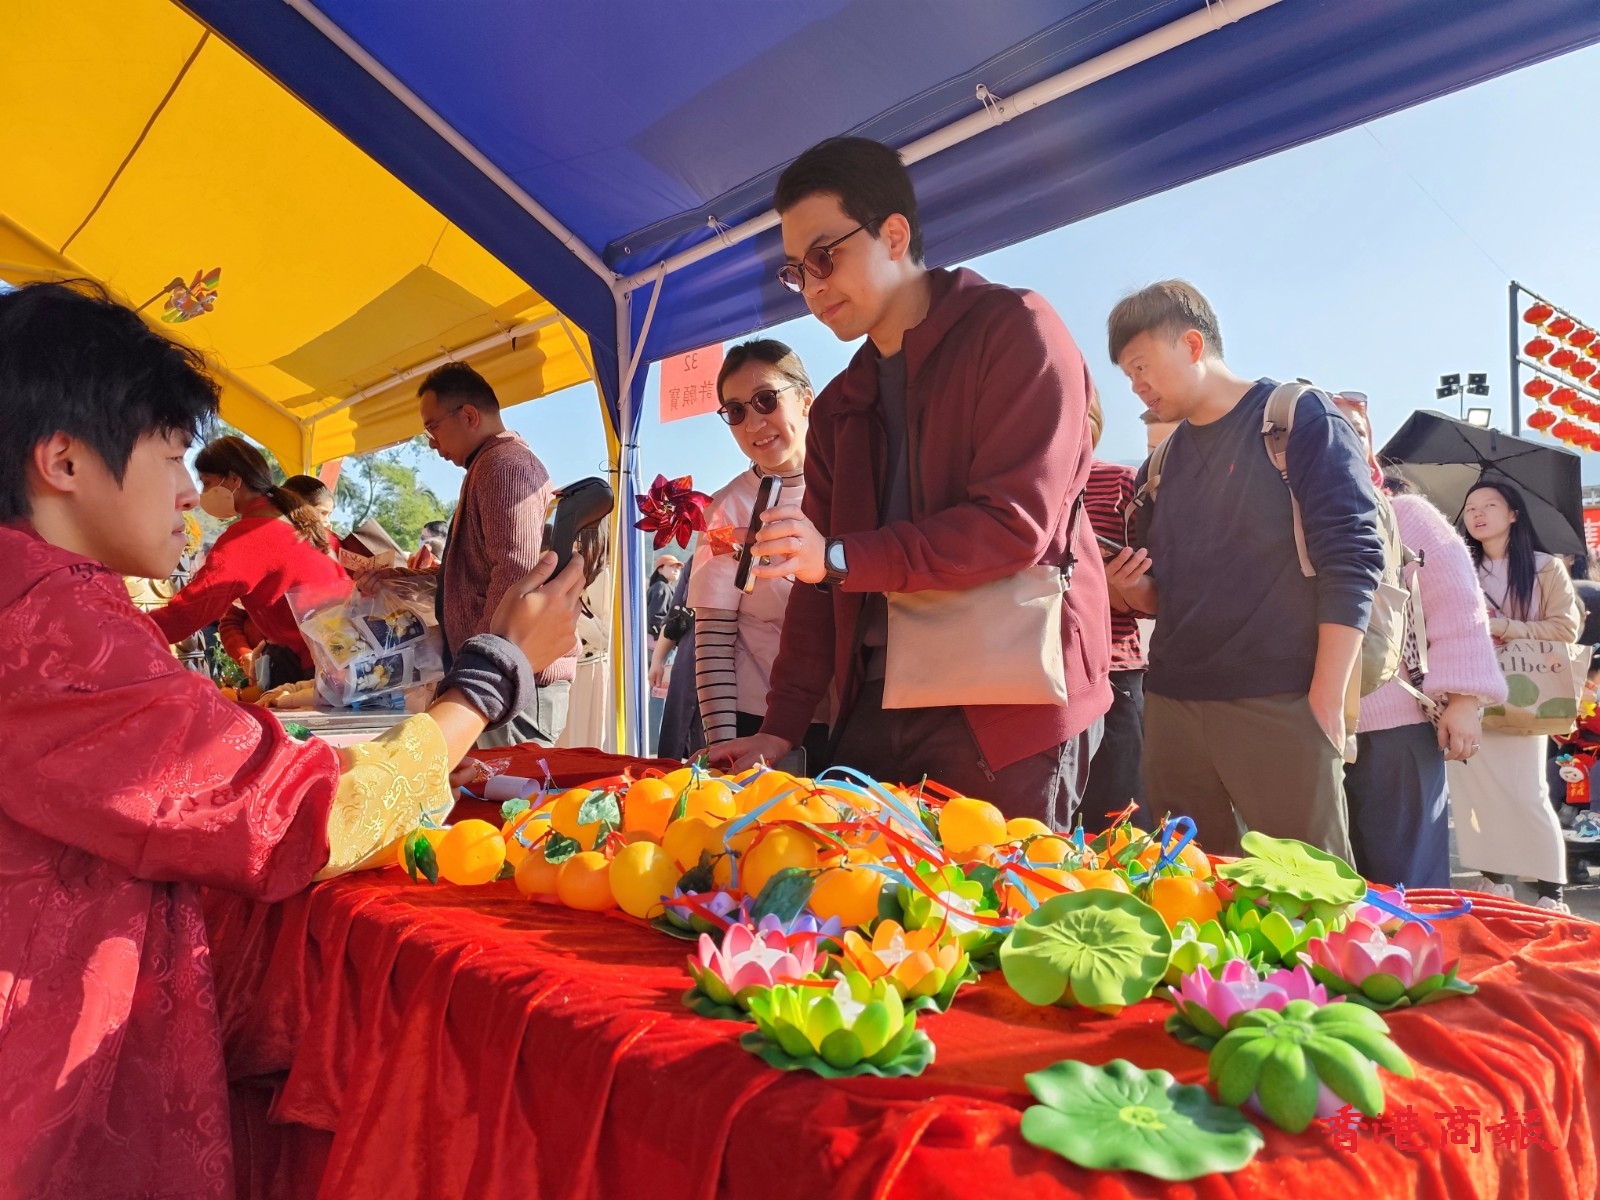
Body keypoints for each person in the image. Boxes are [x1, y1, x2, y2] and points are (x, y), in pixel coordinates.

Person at [0, 279, 585, 1198]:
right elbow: (303, 814)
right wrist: (492, 673)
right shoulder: (52, 622)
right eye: (172, 456)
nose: (190, 493)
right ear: (63, 460)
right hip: (46, 1082)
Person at [719, 137, 1112, 827]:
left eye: (824, 256)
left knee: (996, 895)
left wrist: (838, 557)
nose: (812, 287)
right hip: (877, 709)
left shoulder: (1016, 328)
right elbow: (816, 583)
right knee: (866, 898)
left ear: (894, 235)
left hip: (1009, 704)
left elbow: (1014, 525)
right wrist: (780, 730)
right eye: (795, 271)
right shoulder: (839, 405)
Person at [1105, 281, 1384, 860]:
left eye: (1141, 366)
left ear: (1191, 344)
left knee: (1308, 897)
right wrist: (1131, 591)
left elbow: (1353, 555)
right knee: (1187, 892)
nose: (1136, 386)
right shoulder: (1158, 467)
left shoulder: (1296, 417)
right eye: (1128, 376)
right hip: (1173, 706)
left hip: (1281, 700)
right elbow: (1168, 594)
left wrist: (1325, 703)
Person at [1333, 401, 1506, 888]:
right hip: (1309, 725)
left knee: (1408, 881)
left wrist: (1464, 700)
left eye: (1354, 430)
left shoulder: (1406, 514)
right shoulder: (1286, 517)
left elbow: (1458, 604)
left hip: (1397, 722)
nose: (1339, 439)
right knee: (1333, 883)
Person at [418, 361, 578, 747]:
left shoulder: (502, 466)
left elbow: (515, 575)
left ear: (469, 415)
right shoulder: (493, 465)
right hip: (505, 675)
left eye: (432, 427)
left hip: (511, 681)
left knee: (506, 785)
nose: (432, 443)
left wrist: (483, 673)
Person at [690, 340, 830, 768]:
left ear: (805, 399)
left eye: (766, 400)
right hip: (760, 722)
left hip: (853, 717)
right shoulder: (726, 510)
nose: (754, 423)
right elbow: (713, 640)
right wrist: (723, 747)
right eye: (736, 411)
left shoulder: (854, 486)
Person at [1450, 478, 1583, 911]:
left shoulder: (1545, 568)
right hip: (1470, 691)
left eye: (1489, 505)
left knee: (1527, 793)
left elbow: (1566, 628)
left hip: (1528, 692)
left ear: (1513, 515)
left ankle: (1550, 891)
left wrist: (1504, 627)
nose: (1477, 513)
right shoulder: (1459, 568)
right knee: (1476, 793)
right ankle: (1494, 880)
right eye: (1471, 507)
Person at [148, 435, 348, 685]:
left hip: (323, 670)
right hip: (348, 658)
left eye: (207, 483)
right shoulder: (297, 522)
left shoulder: (251, 535)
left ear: (234, 479)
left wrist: (125, 631)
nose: (202, 494)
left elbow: (192, 610)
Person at [1081, 387, 1148, 831]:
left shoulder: (1123, 483)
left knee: (1117, 828)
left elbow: (1159, 597)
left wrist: (1111, 582)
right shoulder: (1006, 487)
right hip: (1022, 674)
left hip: (1112, 673)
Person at [281, 472, 342, 556]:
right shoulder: (289, 538)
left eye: (329, 515)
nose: (327, 522)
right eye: (322, 513)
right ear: (300, 507)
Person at [647, 552, 682, 640]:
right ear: (660, 569)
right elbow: (656, 618)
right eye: (672, 566)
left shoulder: (667, 587)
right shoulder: (661, 587)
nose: (676, 570)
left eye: (678, 568)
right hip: (657, 639)